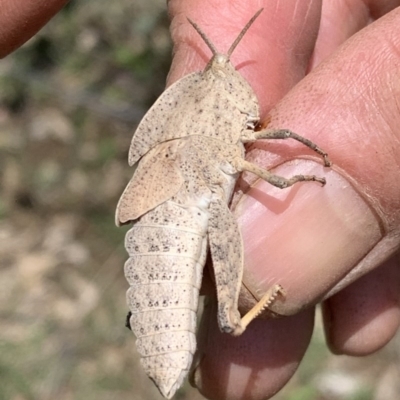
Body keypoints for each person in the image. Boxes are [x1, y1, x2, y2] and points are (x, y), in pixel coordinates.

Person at [3, 1, 399, 399]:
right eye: (216, 78)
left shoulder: (198, 136)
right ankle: (242, 312)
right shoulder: (203, 142)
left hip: (185, 214)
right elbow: (275, 175)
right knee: (232, 317)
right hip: (175, 236)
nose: (224, 76)